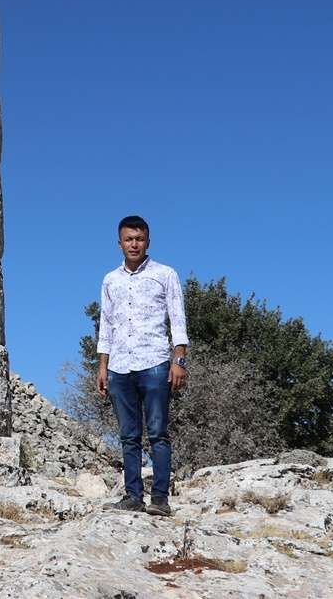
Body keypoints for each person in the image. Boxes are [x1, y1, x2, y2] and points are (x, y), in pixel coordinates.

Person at [96, 215, 188, 516]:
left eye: (139, 239)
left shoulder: (165, 274)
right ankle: (132, 496)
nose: (134, 244)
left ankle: (160, 499)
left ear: (148, 241)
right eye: (128, 239)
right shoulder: (110, 280)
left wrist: (179, 360)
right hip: (120, 365)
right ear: (119, 243)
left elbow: (177, 318)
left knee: (158, 432)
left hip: (155, 362)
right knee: (128, 435)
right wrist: (102, 366)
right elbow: (106, 324)